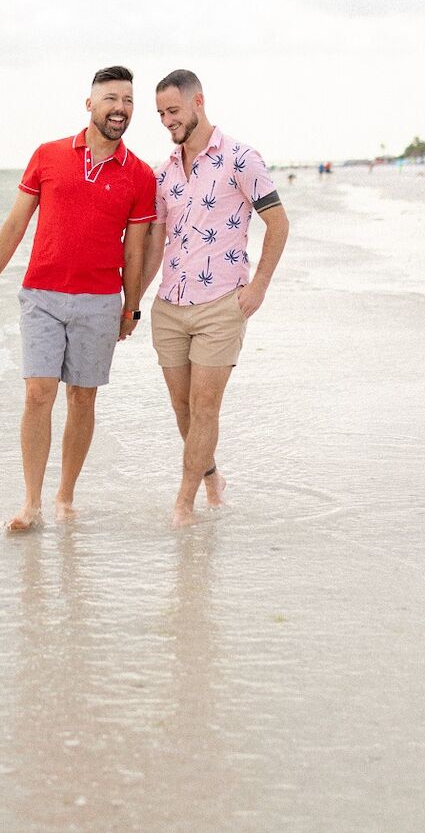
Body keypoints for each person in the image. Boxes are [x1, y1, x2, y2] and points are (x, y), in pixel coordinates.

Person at [0, 66, 156, 531]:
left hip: (99, 300)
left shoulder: (138, 175)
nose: (120, 108)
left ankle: (65, 497)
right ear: (89, 104)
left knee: (82, 398)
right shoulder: (49, 155)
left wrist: (131, 305)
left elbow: (134, 249)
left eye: (129, 100)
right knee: (38, 393)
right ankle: (31, 503)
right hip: (42, 295)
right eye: (111, 98)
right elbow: (16, 223)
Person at [141, 70, 290, 528]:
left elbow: (278, 224)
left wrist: (259, 286)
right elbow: (155, 245)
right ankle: (211, 479)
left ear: (198, 102)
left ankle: (184, 503)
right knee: (183, 410)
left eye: (174, 111)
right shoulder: (164, 172)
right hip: (169, 306)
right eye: (161, 114)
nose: (167, 121)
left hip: (221, 305)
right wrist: (131, 302)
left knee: (206, 408)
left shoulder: (241, 159)